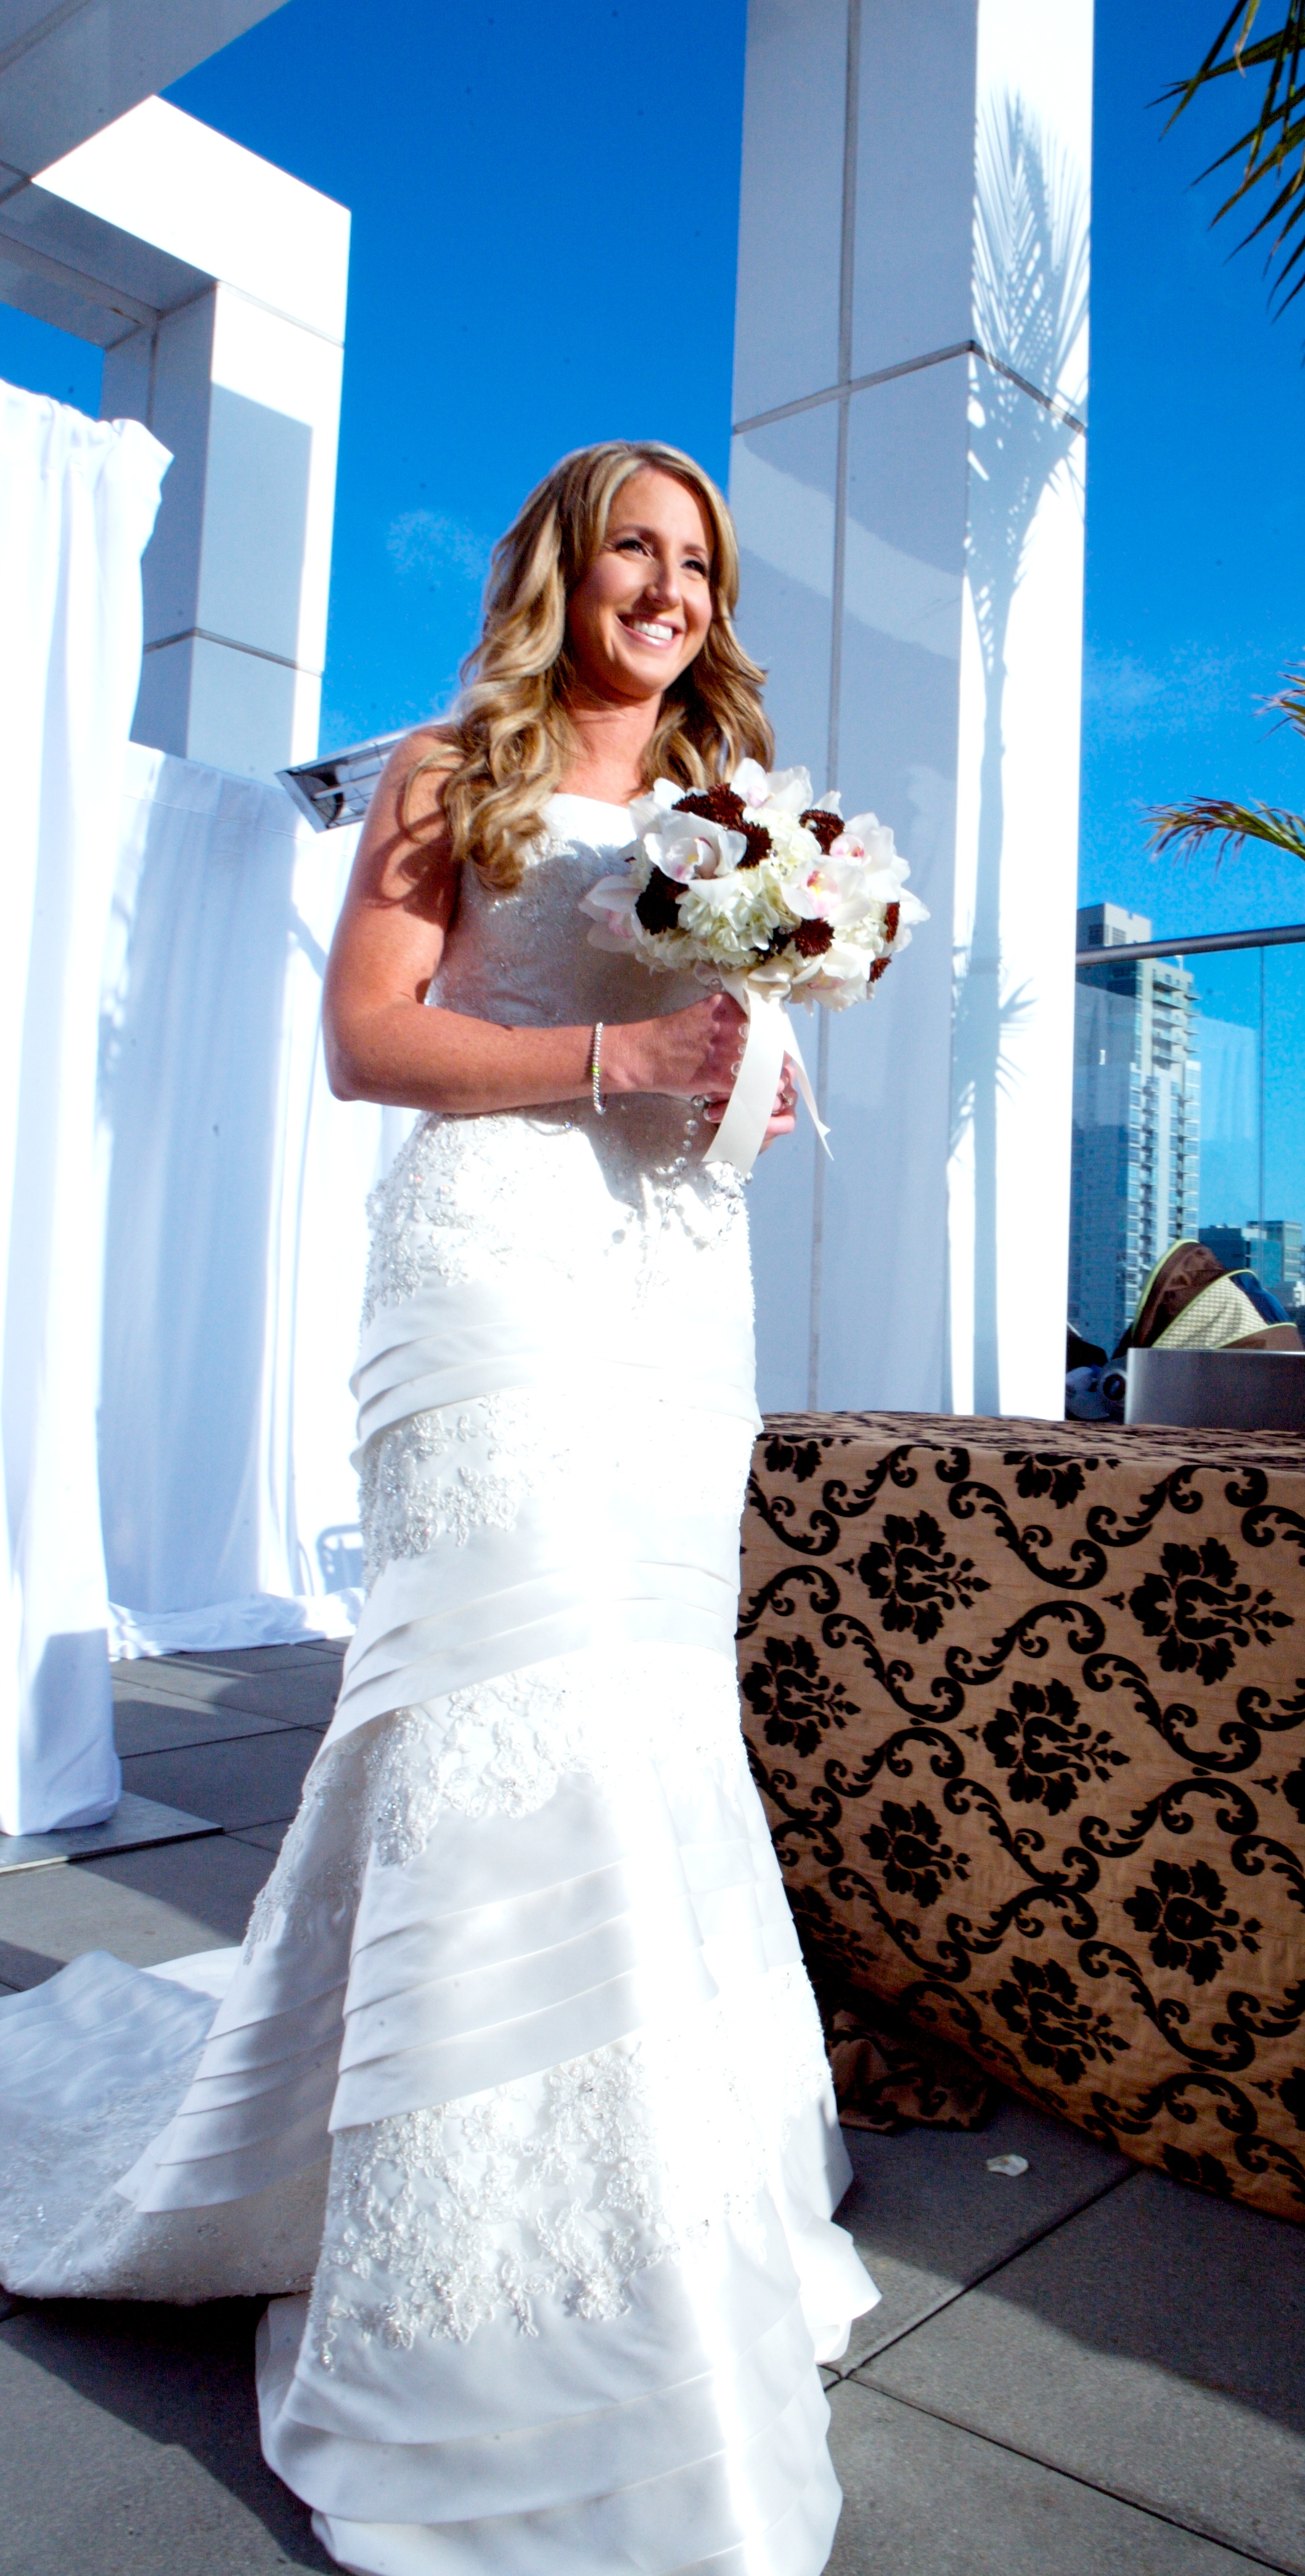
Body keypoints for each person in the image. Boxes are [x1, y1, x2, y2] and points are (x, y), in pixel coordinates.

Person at [0, 440, 878, 2574]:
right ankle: (471, 2256)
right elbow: (365, 1041)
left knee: (643, 1708)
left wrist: (754, 1059)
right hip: (487, 1266)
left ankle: (649, 2163)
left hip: (674, 1292)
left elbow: (739, 1056)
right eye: (634, 550)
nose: (666, 587)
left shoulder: (749, 802)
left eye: (699, 560)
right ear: (562, 570)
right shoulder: (443, 768)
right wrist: (615, 1066)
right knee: (506, 1702)